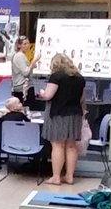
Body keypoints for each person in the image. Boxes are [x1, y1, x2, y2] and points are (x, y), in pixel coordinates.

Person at [37, 53, 86, 186]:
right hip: (75, 115)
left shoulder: (56, 76)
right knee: (71, 145)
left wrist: (42, 92)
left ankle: (56, 177)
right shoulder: (80, 78)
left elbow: (48, 95)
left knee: (58, 145)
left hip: (59, 114)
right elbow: (82, 99)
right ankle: (69, 176)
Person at [11, 36, 32, 101]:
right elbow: (25, 72)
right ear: (19, 45)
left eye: (28, 43)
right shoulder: (19, 56)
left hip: (22, 85)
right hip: (21, 86)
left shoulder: (21, 55)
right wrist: (33, 64)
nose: (27, 46)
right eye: (24, 44)